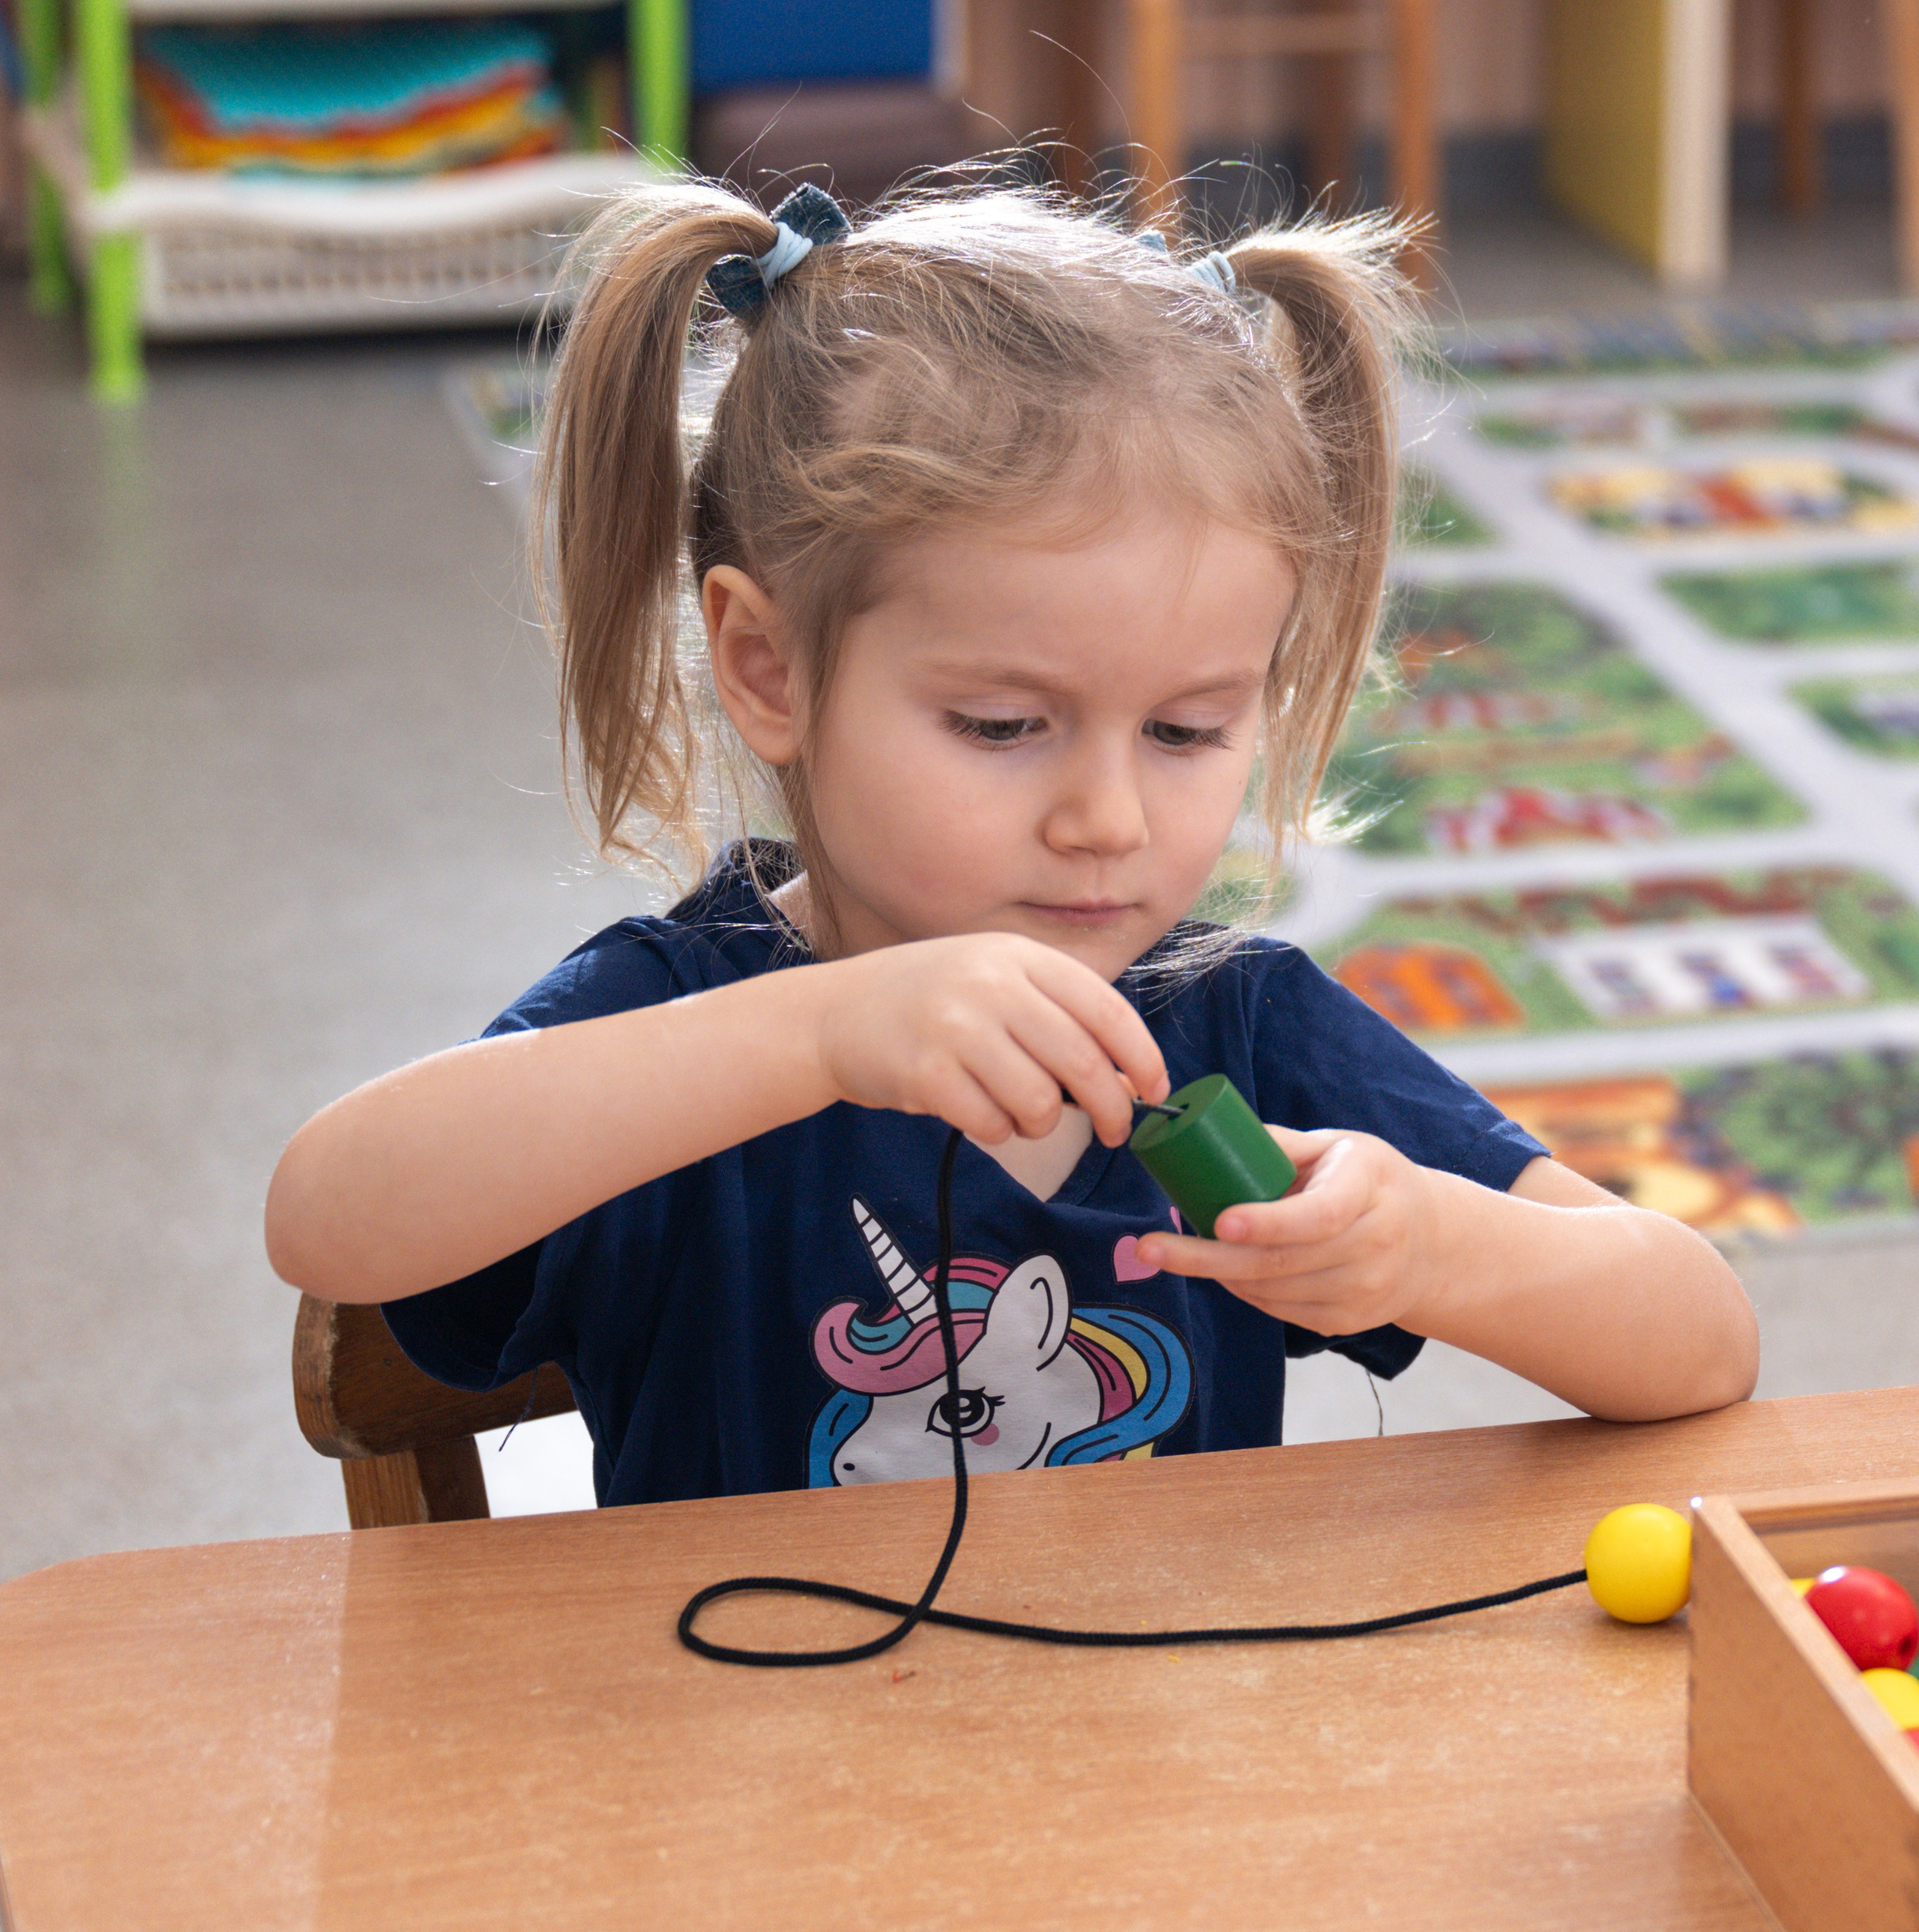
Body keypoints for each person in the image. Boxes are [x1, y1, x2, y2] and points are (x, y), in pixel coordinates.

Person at [265, 180, 1759, 1506]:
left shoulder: (1235, 1022)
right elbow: (329, 1220)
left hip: (1145, 1783)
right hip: (746, 1792)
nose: (1105, 818)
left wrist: (1434, 1243)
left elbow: (1699, 1338)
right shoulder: (683, 1021)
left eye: (1183, 733)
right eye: (999, 725)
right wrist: (815, 1036)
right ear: (768, 666)